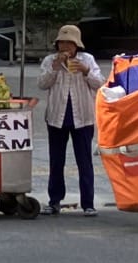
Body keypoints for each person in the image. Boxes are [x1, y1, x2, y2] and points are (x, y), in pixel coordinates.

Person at [38, 23, 105, 216]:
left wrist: (86, 71)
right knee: (56, 161)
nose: (65, 47)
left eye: (69, 43)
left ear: (77, 45)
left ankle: (88, 203)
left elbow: (100, 83)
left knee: (84, 161)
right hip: (56, 117)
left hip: (82, 117)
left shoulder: (87, 59)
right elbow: (42, 84)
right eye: (62, 43)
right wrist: (54, 68)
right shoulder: (50, 60)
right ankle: (54, 201)